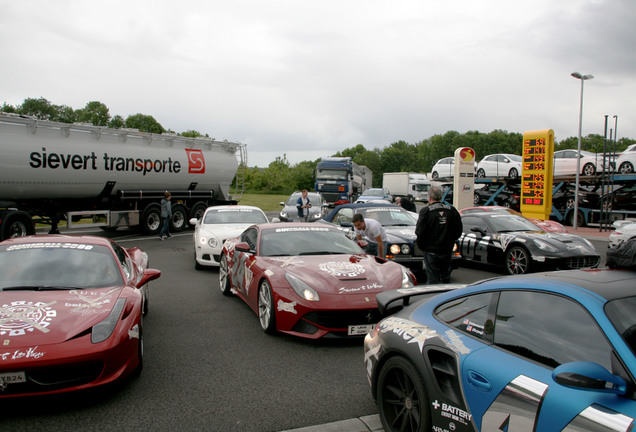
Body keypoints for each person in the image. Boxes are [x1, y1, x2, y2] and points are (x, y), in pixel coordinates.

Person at [415, 186, 462, 284]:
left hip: (431, 250)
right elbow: (458, 230)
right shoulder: (451, 210)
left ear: (429, 198)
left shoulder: (426, 211)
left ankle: (434, 297)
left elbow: (419, 231)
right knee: (446, 277)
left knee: (432, 279)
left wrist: (423, 246)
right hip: (447, 250)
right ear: (441, 197)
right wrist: (451, 242)